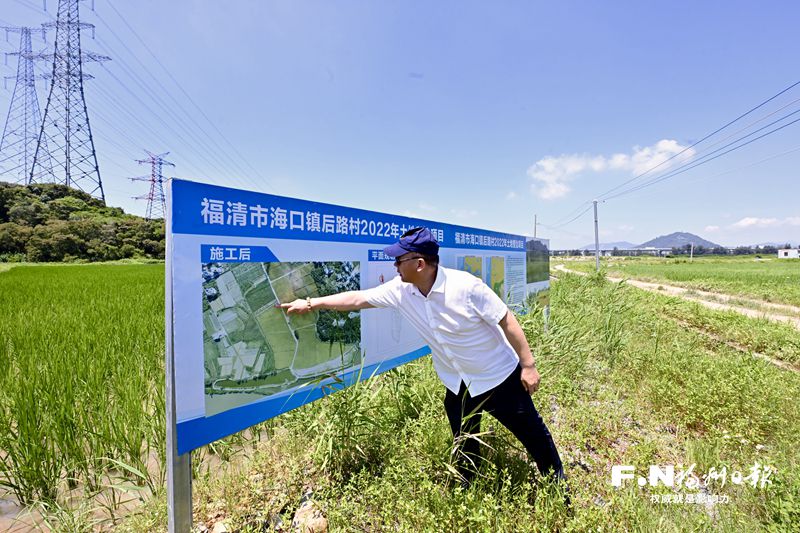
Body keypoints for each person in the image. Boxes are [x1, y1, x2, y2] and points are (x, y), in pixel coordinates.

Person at [281, 227, 567, 491]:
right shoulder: (400, 290)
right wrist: (311, 303)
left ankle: (557, 486)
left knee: (532, 434)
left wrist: (528, 366)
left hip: (497, 376)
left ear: (419, 263)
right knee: (465, 436)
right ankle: (468, 481)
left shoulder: (466, 287)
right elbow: (358, 299)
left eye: (398, 260)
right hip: (459, 381)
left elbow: (506, 320)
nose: (394, 266)